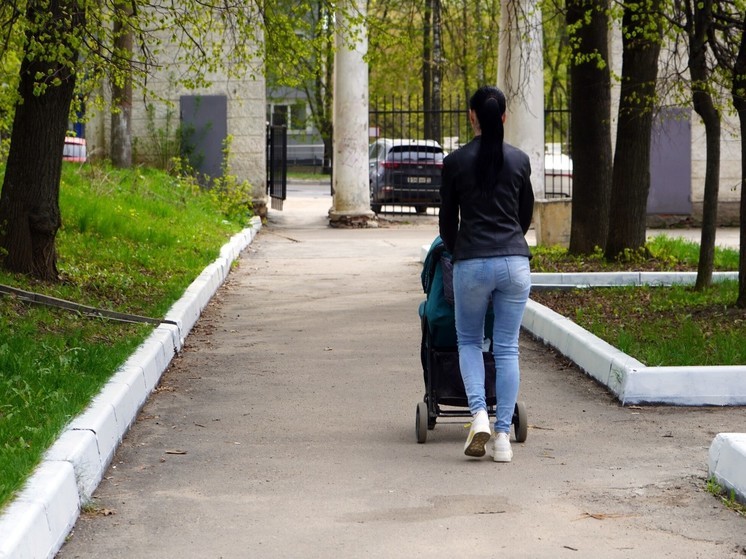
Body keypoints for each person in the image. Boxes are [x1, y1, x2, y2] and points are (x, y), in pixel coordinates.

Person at [439, 85, 534, 462]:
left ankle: (478, 414)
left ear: (471, 116)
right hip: (515, 262)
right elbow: (524, 215)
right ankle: (503, 437)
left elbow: (447, 221)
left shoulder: (455, 162)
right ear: (505, 117)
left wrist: (456, 249)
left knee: (468, 341)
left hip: (471, 262)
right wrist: (510, 243)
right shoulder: (520, 161)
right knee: (506, 346)